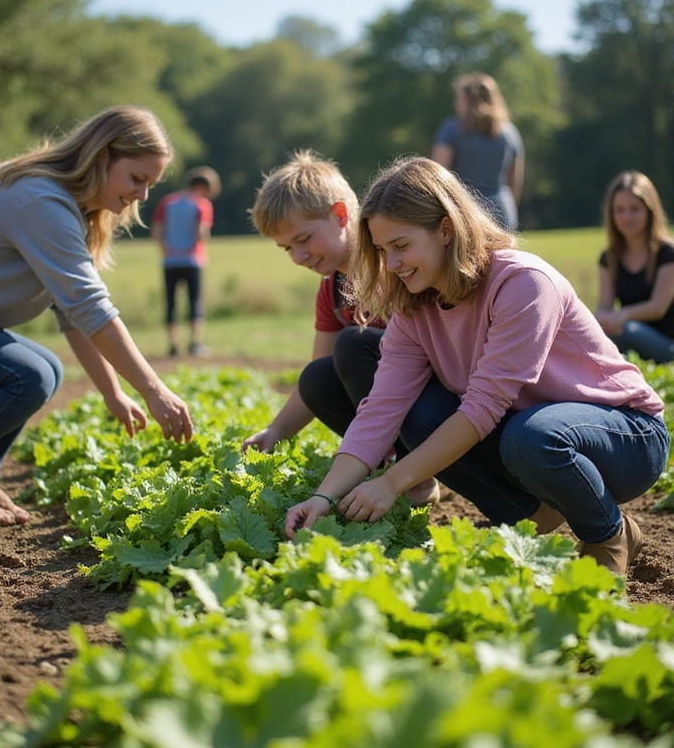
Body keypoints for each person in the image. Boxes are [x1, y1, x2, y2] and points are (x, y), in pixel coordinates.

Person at [286, 156, 670, 576]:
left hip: (626, 436)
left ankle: (609, 534)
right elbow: (381, 408)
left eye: (401, 246)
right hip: (529, 433)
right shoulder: (415, 305)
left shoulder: (522, 283)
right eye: (381, 250)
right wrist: (323, 498)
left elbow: (482, 409)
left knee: (532, 437)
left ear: (446, 229)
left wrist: (392, 483)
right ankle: (530, 514)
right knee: (419, 415)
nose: (390, 264)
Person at [0, 106, 194, 528]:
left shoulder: (69, 210)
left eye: (151, 183)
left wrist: (113, 393)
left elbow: (72, 316)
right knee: (27, 375)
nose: (143, 196)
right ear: (103, 156)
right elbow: (91, 309)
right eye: (137, 178)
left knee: (46, 369)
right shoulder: (41, 201)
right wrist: (153, 389)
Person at [241, 150, 439, 507]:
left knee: (352, 345)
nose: (298, 257)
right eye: (287, 248)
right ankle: (380, 463)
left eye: (303, 239)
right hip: (393, 407)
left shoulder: (396, 266)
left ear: (340, 215)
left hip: (437, 406)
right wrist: (277, 430)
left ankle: (418, 478)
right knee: (317, 377)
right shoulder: (331, 288)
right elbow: (321, 371)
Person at [596, 171, 674, 364]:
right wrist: (600, 321)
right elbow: (604, 307)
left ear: (650, 210)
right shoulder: (609, 259)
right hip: (627, 336)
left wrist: (624, 315)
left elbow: (658, 307)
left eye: (635, 209)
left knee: (627, 330)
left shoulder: (667, 253)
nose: (627, 216)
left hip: (667, 345)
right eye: (620, 210)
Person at [431, 72, 524, 232]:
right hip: (503, 210)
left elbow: (437, 175)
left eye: (459, 99)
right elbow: (514, 182)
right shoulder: (510, 132)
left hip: (465, 211)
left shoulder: (451, 130)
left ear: (469, 100)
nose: (455, 104)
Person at [152, 165, 221, 357]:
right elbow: (201, 233)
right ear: (203, 187)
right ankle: (195, 343)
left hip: (170, 261)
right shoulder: (202, 205)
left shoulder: (167, 202)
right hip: (193, 260)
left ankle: (173, 345)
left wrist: (168, 250)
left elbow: (157, 232)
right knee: (195, 302)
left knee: (171, 304)